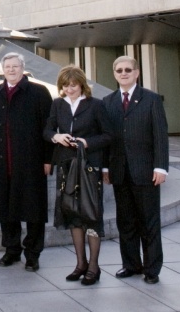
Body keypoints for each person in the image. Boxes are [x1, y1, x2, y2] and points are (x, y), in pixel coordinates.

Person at [43, 65, 113, 285]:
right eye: (65, 85)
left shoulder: (96, 105)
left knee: (91, 214)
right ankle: (80, 264)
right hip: (66, 166)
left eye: (73, 85)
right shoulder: (57, 104)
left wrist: (87, 142)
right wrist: (57, 137)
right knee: (73, 215)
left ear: (81, 84)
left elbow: (109, 135)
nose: (69, 89)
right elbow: (46, 131)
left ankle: (93, 267)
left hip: (89, 168)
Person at [103, 55, 169, 285]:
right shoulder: (107, 102)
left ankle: (152, 269)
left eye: (128, 70)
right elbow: (106, 139)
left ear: (137, 73)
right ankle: (131, 264)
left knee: (149, 222)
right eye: (119, 70)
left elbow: (160, 136)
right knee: (126, 222)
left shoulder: (151, 99)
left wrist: (161, 167)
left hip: (146, 172)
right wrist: (105, 168)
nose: (123, 73)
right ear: (114, 74)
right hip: (119, 173)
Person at [0, 52, 53, 271]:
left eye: (15, 66)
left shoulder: (39, 92)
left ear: (22, 68)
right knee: (7, 209)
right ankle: (11, 250)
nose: (11, 70)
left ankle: (33, 254)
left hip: (31, 162)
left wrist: (47, 159)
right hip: (3, 161)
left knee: (33, 210)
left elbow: (49, 129)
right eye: (8, 67)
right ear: (3, 70)